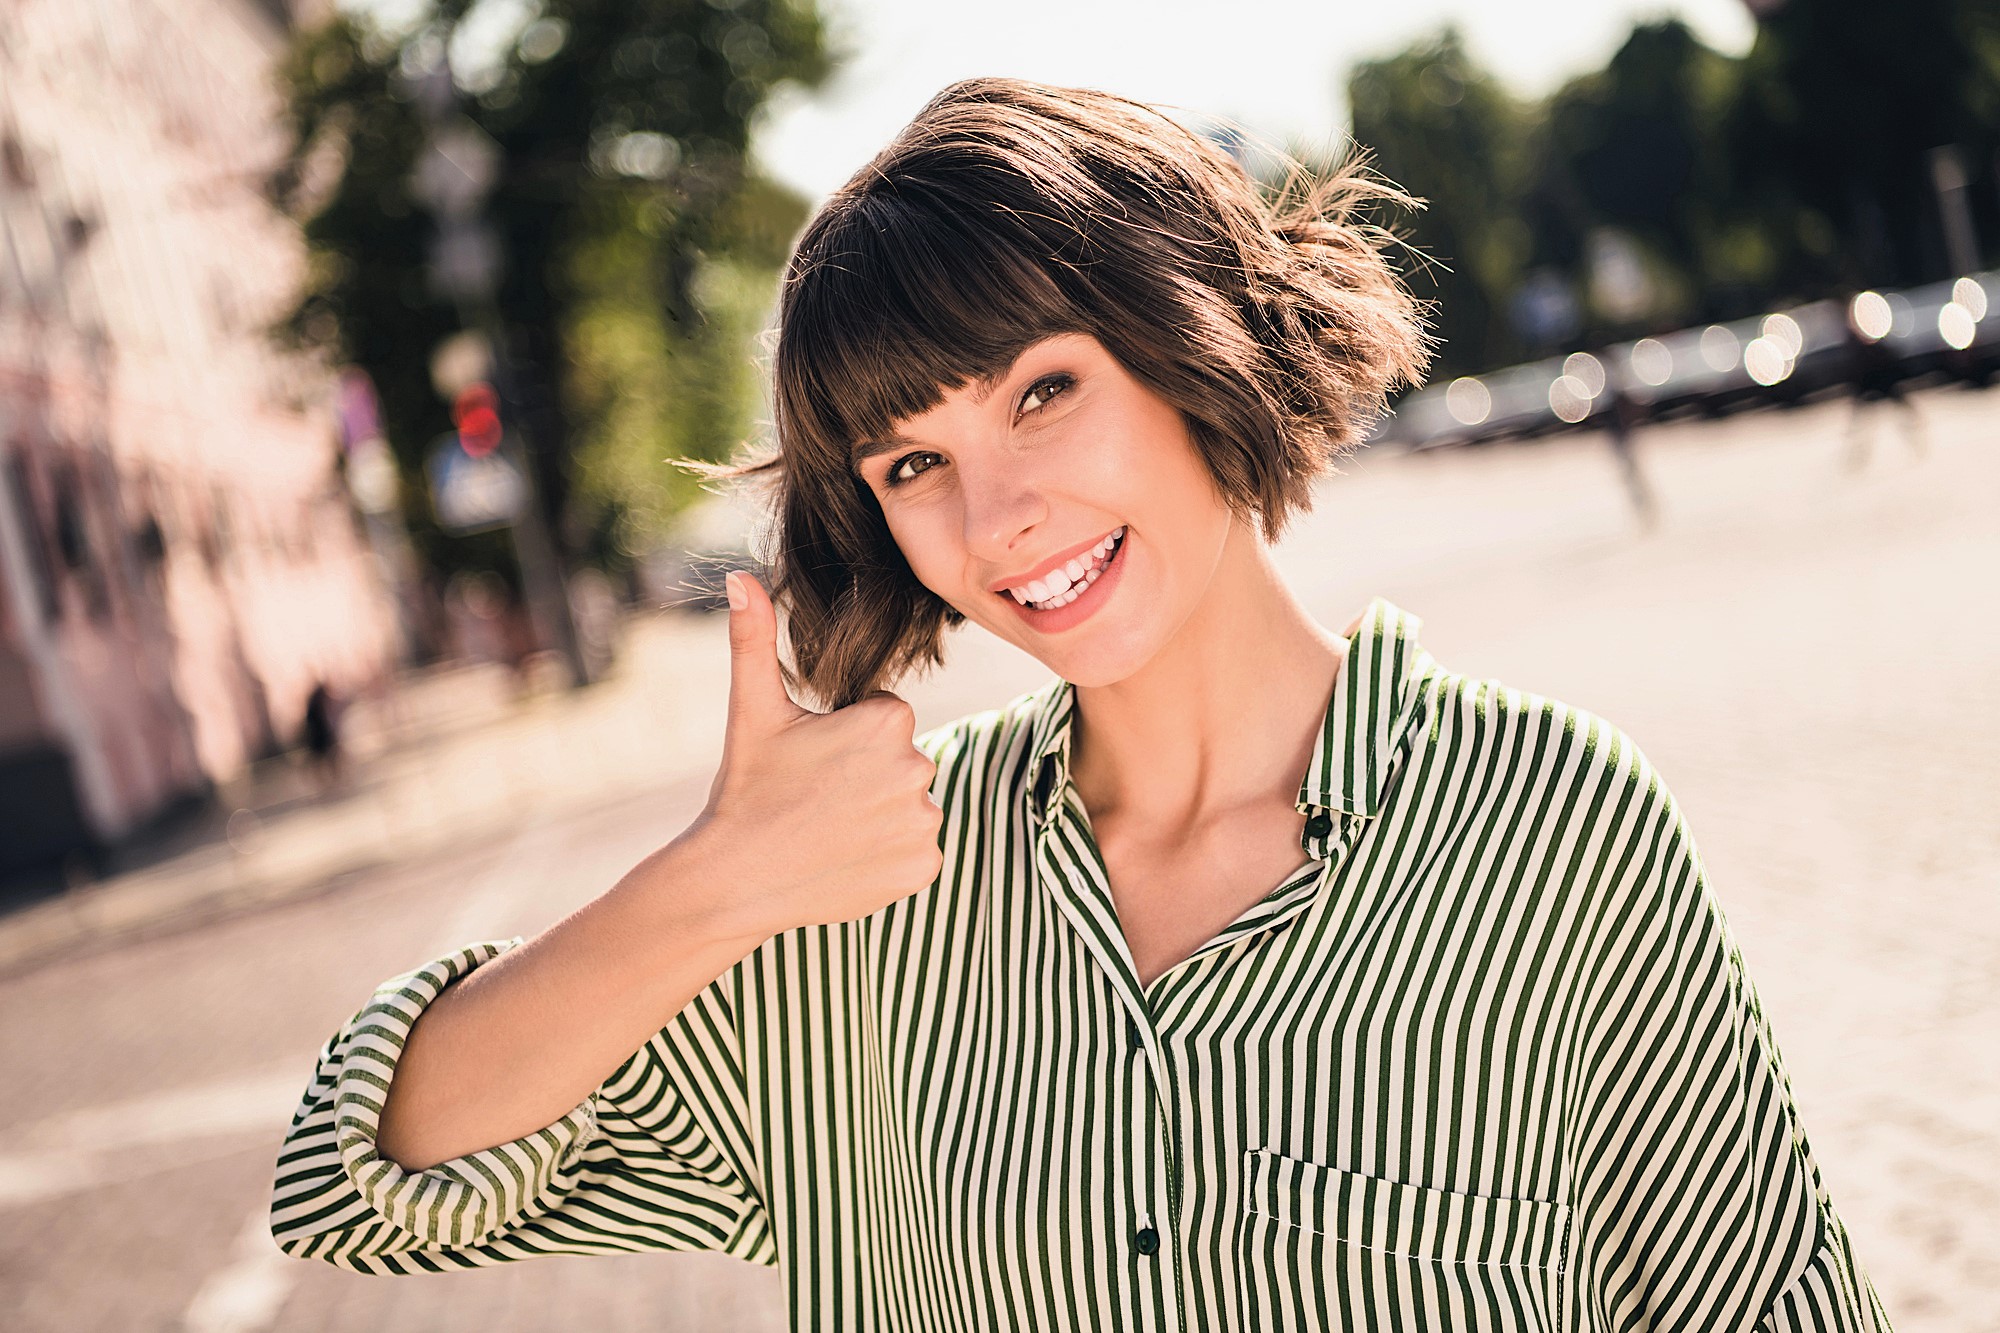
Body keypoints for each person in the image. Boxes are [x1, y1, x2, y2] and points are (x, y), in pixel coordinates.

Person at [270, 78, 1891, 1330]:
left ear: (1186, 346)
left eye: (1045, 390)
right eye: (916, 464)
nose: (998, 521)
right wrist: (721, 880)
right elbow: (365, 1173)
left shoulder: (1549, 830)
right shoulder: (864, 911)